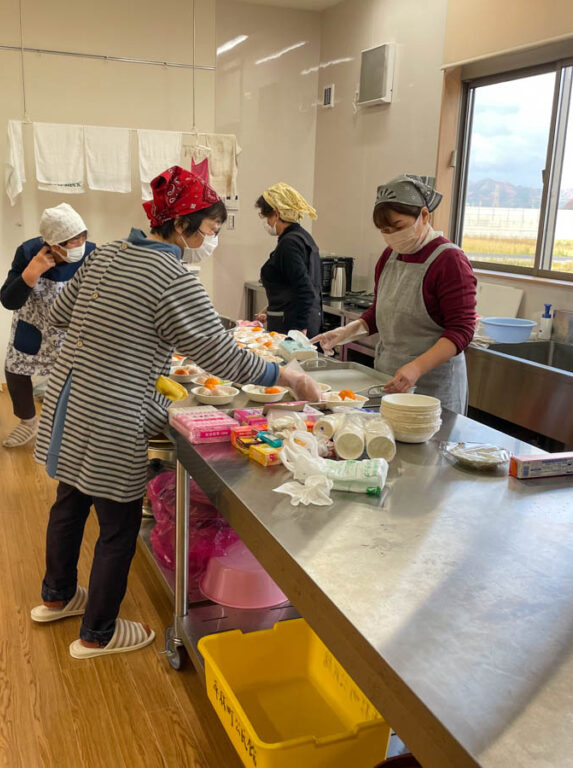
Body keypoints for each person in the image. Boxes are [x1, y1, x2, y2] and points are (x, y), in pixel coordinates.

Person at [29, 166, 321, 659]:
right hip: (114, 413)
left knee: (71, 501)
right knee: (118, 524)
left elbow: (58, 315)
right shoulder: (171, 275)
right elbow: (220, 353)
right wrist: (288, 376)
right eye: (208, 232)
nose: (209, 242)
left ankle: (57, 597)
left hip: (69, 401)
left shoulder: (106, 255)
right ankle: (96, 634)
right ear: (183, 226)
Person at [312, 174, 476, 413]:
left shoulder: (450, 260)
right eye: (384, 230)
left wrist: (416, 368)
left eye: (397, 227)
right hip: (388, 380)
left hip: (432, 389)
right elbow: (380, 311)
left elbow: (462, 330)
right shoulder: (389, 257)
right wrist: (346, 332)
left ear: (424, 215)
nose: (391, 235)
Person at [0, 203, 95, 448]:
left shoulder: (93, 253)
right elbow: (8, 300)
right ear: (53, 244)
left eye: (82, 237)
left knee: (76, 379)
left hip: (73, 330)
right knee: (16, 370)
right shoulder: (28, 252)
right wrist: (31, 274)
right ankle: (28, 423)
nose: (80, 244)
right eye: (72, 241)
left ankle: (71, 430)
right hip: (34, 325)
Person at [254, 183, 323, 337]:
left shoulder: (289, 243)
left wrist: (299, 330)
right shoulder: (303, 237)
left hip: (292, 326)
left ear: (277, 214)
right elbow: (292, 284)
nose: (266, 223)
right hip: (298, 319)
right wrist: (270, 310)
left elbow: (305, 290)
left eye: (267, 217)